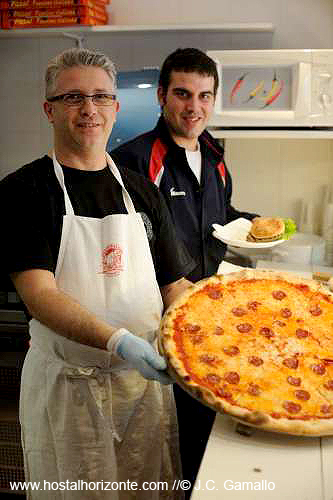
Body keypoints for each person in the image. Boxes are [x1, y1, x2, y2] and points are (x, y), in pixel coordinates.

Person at [0, 48, 195, 500]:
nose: (89, 109)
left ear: (115, 107)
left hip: (144, 389)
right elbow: (39, 295)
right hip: (70, 394)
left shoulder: (142, 189)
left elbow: (175, 285)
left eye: (101, 97)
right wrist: (116, 339)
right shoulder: (22, 192)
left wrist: (196, 336)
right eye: (72, 97)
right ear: (49, 109)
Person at [111, 48, 258, 495]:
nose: (194, 107)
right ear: (161, 96)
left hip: (208, 314)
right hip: (158, 322)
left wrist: (256, 226)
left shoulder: (214, 154)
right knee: (162, 434)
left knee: (206, 427)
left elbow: (220, 216)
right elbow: (127, 243)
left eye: (204, 96)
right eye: (182, 94)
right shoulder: (135, 161)